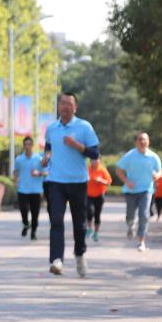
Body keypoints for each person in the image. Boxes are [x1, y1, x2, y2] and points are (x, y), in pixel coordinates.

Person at [41, 92, 100, 278]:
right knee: (56, 220)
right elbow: (49, 146)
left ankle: (80, 254)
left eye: (69, 104)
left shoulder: (84, 127)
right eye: (63, 103)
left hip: (78, 181)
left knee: (79, 224)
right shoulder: (51, 128)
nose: (65, 107)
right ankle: (56, 260)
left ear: (75, 107)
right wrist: (47, 156)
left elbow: (95, 153)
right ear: (59, 106)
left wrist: (77, 145)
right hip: (56, 181)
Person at [116, 132, 162, 252]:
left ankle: (141, 241)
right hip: (131, 191)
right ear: (136, 142)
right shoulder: (129, 156)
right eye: (140, 139)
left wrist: (157, 175)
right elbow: (118, 170)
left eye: (145, 139)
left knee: (144, 214)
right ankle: (131, 225)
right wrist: (127, 181)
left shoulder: (153, 156)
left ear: (148, 142)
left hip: (146, 190)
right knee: (130, 215)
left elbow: (160, 171)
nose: (142, 142)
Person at [12, 136, 45, 239]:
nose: (27, 146)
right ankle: (26, 224)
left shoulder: (39, 159)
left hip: (36, 190)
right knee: (23, 209)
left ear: (32, 145)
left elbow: (47, 172)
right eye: (25, 144)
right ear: (23, 146)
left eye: (29, 144)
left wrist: (38, 173)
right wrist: (15, 182)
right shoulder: (19, 159)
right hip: (22, 189)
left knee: (35, 213)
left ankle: (33, 232)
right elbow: (16, 171)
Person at [86, 155, 111, 242]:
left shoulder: (102, 170)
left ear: (99, 160)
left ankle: (96, 233)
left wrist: (101, 180)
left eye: (96, 159)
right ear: (90, 160)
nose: (94, 161)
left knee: (97, 214)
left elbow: (109, 182)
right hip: (88, 195)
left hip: (99, 195)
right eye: (93, 159)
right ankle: (89, 229)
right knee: (89, 212)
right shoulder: (87, 169)